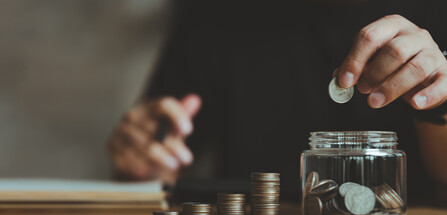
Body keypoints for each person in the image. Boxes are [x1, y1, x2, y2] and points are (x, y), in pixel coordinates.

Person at [107, 0, 447, 202]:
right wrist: (148, 163)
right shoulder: (212, 14)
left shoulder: (435, 12)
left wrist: (437, 102)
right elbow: (158, 160)